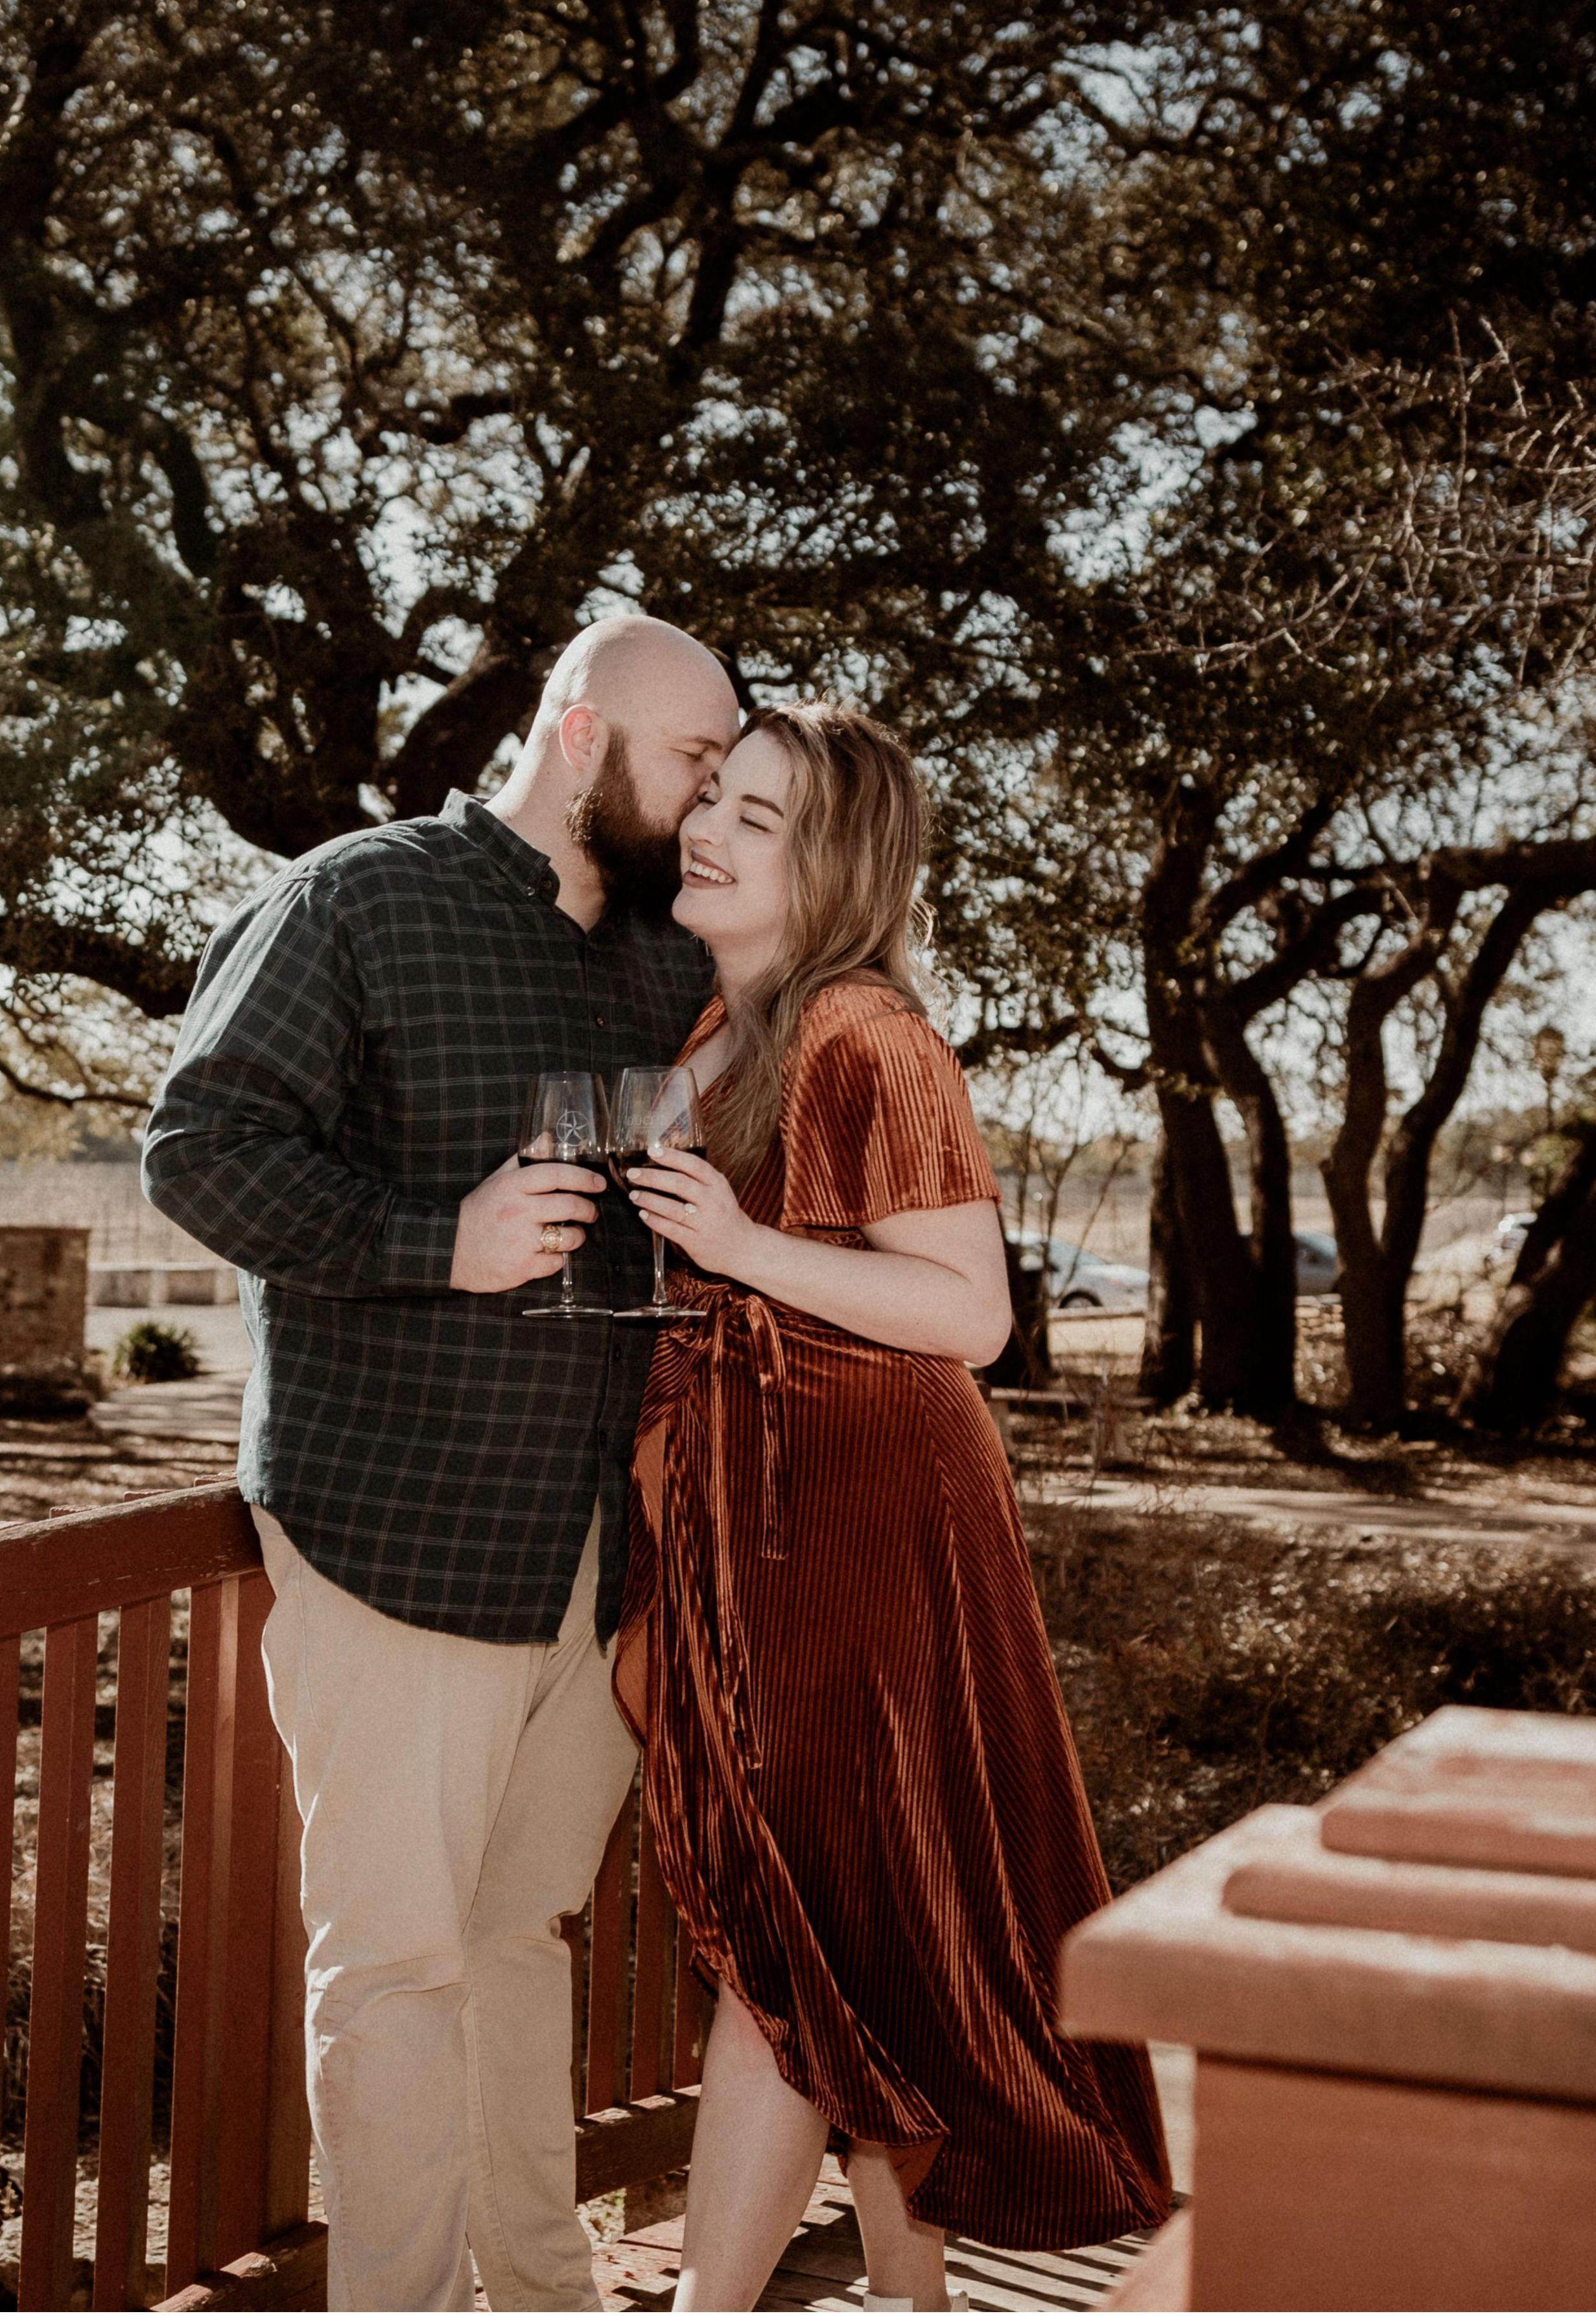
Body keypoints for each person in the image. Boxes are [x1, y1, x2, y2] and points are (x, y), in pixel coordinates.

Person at [144, 613, 740, 2311]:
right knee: (399, 1968)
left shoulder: (653, 963)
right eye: (695, 762)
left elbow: (636, 1214)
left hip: (585, 1556)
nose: (710, 800)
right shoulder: (358, 899)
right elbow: (197, 1149)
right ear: (580, 737)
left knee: (515, 1941)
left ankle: (540, 2297)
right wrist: (435, 1238)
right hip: (396, 1529)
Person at [615, 703, 1174, 2313]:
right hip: (747, 1506)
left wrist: (730, 1245)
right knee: (827, 1932)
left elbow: (969, 1315)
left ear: (839, 866)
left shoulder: (867, 1033)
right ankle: (909, 2300)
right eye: (711, 796)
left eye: (760, 817)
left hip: (859, 1514)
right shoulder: (712, 1034)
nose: (709, 826)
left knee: (805, 1923)